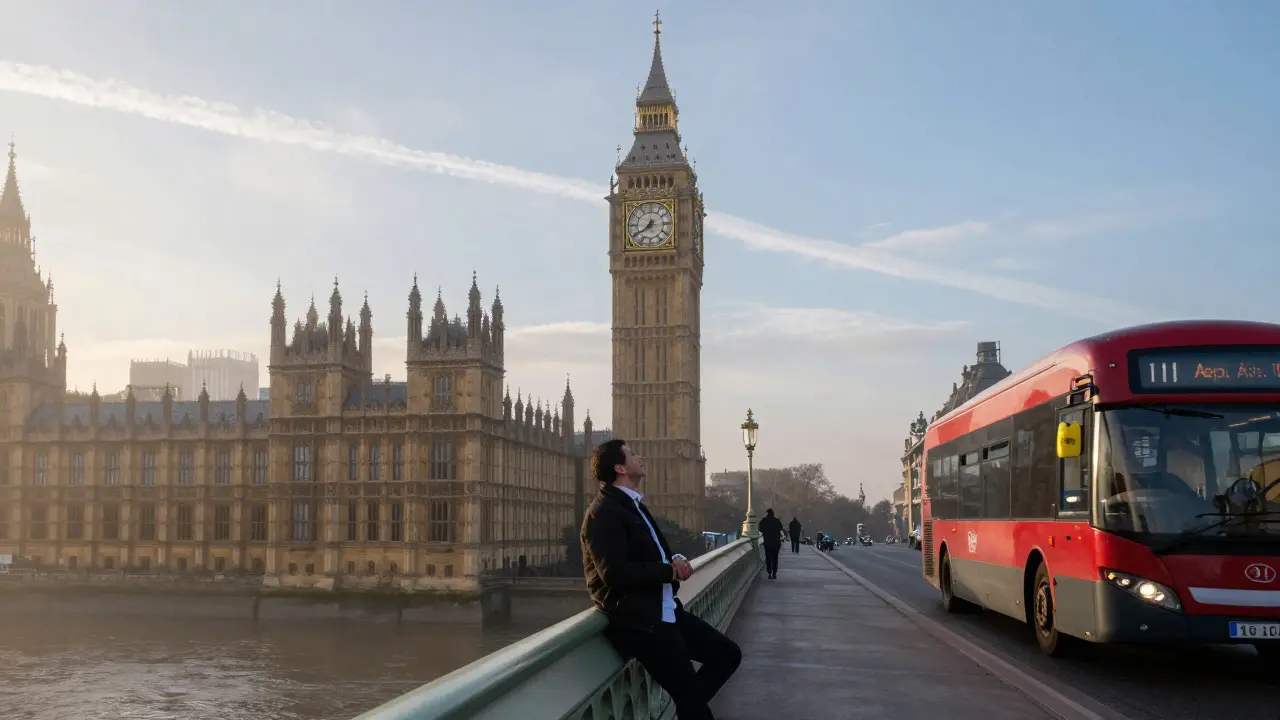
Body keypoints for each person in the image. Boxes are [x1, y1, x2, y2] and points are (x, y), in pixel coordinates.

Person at [580, 439, 742, 720]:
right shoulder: (603, 512)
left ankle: (688, 706)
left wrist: (673, 560)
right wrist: (667, 571)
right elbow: (613, 574)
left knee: (727, 655)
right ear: (619, 467)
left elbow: (648, 552)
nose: (640, 457)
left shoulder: (632, 505)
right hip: (640, 623)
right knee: (692, 702)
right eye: (631, 454)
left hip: (664, 611)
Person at [758, 508, 784, 579]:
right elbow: (781, 528)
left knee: (768, 558)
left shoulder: (764, 521)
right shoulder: (777, 521)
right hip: (776, 543)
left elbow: (760, 529)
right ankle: (774, 573)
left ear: (767, 513)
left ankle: (769, 573)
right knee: (775, 558)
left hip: (767, 543)